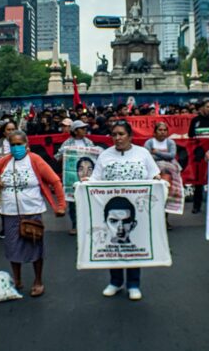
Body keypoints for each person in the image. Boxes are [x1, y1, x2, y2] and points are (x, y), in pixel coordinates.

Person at [0, 130, 65, 298]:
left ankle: (38, 280)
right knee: (12, 248)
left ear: (27, 145)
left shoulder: (35, 160)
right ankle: (18, 279)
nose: (16, 148)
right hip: (10, 213)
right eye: (12, 144)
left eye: (19, 144)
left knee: (35, 248)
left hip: (32, 212)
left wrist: (61, 206)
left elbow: (55, 181)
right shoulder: (6, 161)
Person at [90, 120, 160, 301]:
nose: (117, 138)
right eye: (114, 134)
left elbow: (154, 174)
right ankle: (115, 281)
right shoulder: (105, 155)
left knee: (134, 245)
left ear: (130, 136)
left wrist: (160, 180)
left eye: (121, 134)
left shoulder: (143, 153)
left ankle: (134, 284)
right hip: (112, 210)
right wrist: (85, 183)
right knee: (114, 246)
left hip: (137, 211)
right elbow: (94, 180)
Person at [56, 120, 95, 235]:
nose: (85, 130)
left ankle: (87, 224)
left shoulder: (88, 142)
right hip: (72, 178)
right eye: (82, 128)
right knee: (73, 203)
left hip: (87, 176)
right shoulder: (67, 144)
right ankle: (75, 224)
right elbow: (58, 157)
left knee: (87, 201)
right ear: (75, 130)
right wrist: (64, 156)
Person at [188, 98, 209, 214]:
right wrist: (202, 141)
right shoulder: (195, 121)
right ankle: (196, 206)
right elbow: (191, 137)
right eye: (207, 107)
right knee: (199, 180)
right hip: (200, 154)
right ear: (202, 108)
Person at [144, 121, 181, 229]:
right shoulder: (149, 142)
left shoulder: (171, 143)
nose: (162, 132)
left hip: (169, 172)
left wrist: (156, 152)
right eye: (160, 130)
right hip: (154, 171)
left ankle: (165, 220)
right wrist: (163, 156)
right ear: (154, 132)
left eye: (165, 130)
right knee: (153, 196)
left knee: (167, 196)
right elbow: (147, 157)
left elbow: (172, 156)